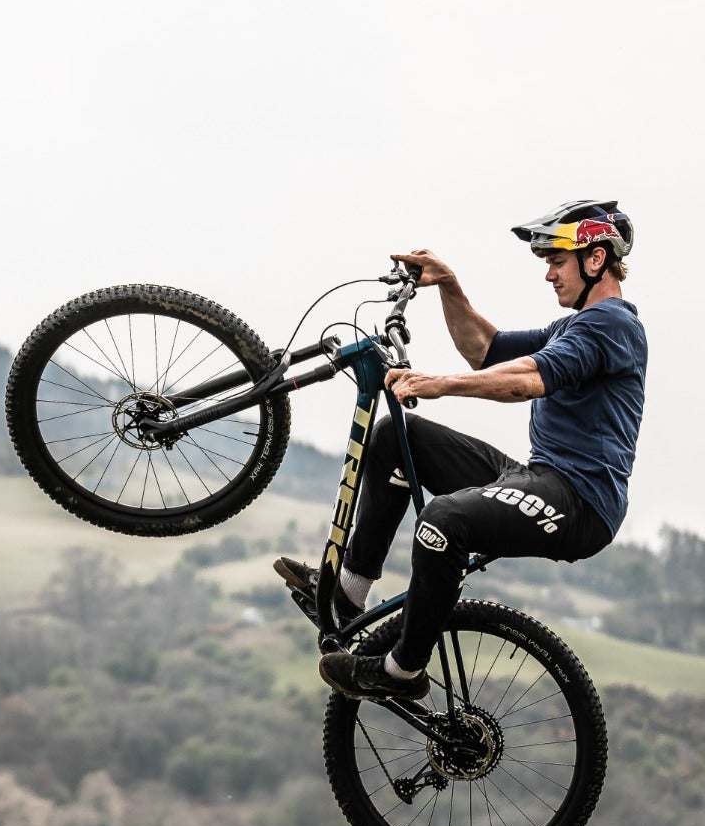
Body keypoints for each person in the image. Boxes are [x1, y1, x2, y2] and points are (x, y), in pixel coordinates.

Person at [274, 200, 648, 701]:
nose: (549, 275)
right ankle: (347, 595)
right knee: (394, 436)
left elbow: (528, 379)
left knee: (443, 520)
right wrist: (449, 285)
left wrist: (440, 384)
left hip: (579, 503)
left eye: (557, 262)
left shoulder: (612, 326)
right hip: (540, 478)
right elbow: (485, 350)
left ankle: (403, 670)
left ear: (595, 259)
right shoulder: (574, 327)